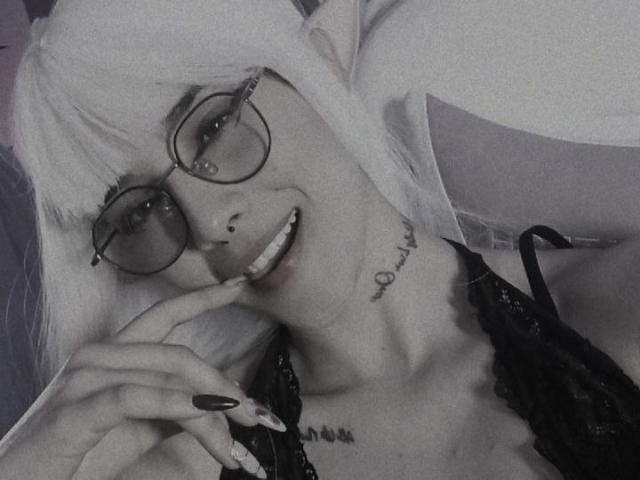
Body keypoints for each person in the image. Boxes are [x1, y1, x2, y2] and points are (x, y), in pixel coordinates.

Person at [1, 0, 640, 479]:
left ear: (315, 66)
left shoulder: (618, 306)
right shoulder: (191, 459)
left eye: (215, 125)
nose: (208, 223)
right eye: (139, 214)